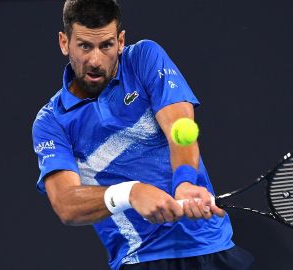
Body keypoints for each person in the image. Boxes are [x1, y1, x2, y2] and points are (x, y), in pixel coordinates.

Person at [32, 0, 253, 269]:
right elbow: (66, 204)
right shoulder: (51, 121)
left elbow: (179, 128)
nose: (95, 60)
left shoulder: (144, 59)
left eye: (106, 45)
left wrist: (184, 181)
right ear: (64, 42)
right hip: (140, 258)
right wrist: (130, 193)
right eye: (84, 46)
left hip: (211, 247)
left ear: (121, 41)